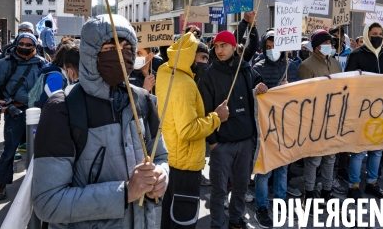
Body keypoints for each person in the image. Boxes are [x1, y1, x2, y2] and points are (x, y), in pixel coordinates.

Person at [32, 14, 168, 228]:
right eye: (110, 47)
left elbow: (160, 156)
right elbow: (47, 202)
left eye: (127, 48)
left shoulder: (143, 101)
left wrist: (160, 176)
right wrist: (124, 193)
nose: (122, 55)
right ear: (91, 53)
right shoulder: (62, 109)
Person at [157, 33, 228, 229]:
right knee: (183, 221)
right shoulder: (185, 83)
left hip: (170, 158)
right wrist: (216, 117)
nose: (206, 62)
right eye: (202, 57)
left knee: (168, 218)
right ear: (189, 56)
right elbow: (188, 130)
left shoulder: (165, 71)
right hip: (185, 165)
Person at [198, 30, 266, 229]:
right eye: (217, 46)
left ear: (234, 47)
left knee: (241, 187)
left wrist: (261, 86)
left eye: (224, 45)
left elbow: (259, 86)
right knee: (219, 191)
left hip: (245, 142)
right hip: (222, 145)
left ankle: (236, 220)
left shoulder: (245, 69)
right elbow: (205, 110)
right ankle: (217, 224)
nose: (219, 50)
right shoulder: (208, 75)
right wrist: (213, 143)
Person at [0, 32, 45, 200]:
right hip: (15, 113)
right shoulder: (5, 64)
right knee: (9, 150)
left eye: (29, 44)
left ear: (35, 46)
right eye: (22, 44)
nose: (25, 47)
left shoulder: (43, 64)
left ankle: (38, 184)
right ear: (16, 44)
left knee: (40, 151)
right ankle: (2, 183)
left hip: (39, 114)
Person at [252, 30, 301, 227]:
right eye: (268, 47)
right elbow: (250, 95)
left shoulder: (291, 67)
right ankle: (261, 206)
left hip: (285, 126)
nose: (272, 51)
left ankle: (281, 201)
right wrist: (256, 91)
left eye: (276, 47)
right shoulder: (258, 68)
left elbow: (301, 96)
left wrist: (290, 88)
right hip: (264, 128)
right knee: (264, 170)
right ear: (263, 48)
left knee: (282, 167)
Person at [345, 21, 383, 200]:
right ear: (367, 34)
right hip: (362, 110)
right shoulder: (356, 54)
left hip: (382, 109)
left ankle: (372, 182)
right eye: (373, 34)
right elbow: (348, 82)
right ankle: (354, 185)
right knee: (359, 151)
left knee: (377, 150)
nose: (377, 37)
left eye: (380, 34)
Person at [297, 29, 344, 208]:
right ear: (316, 47)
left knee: (330, 157)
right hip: (315, 119)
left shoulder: (336, 64)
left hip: (333, 117)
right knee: (314, 159)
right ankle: (309, 192)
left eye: (331, 44)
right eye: (326, 44)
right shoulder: (306, 66)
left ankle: (326, 190)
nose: (330, 47)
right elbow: (304, 95)